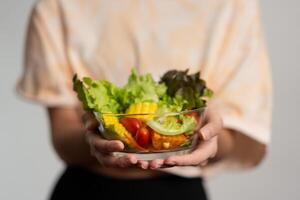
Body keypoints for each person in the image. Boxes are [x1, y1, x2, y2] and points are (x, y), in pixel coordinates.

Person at [16, 0, 272, 199]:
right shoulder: (58, 6)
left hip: (179, 193)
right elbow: (63, 138)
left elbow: (236, 140)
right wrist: (96, 136)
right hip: (86, 190)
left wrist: (201, 135)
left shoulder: (231, 5)